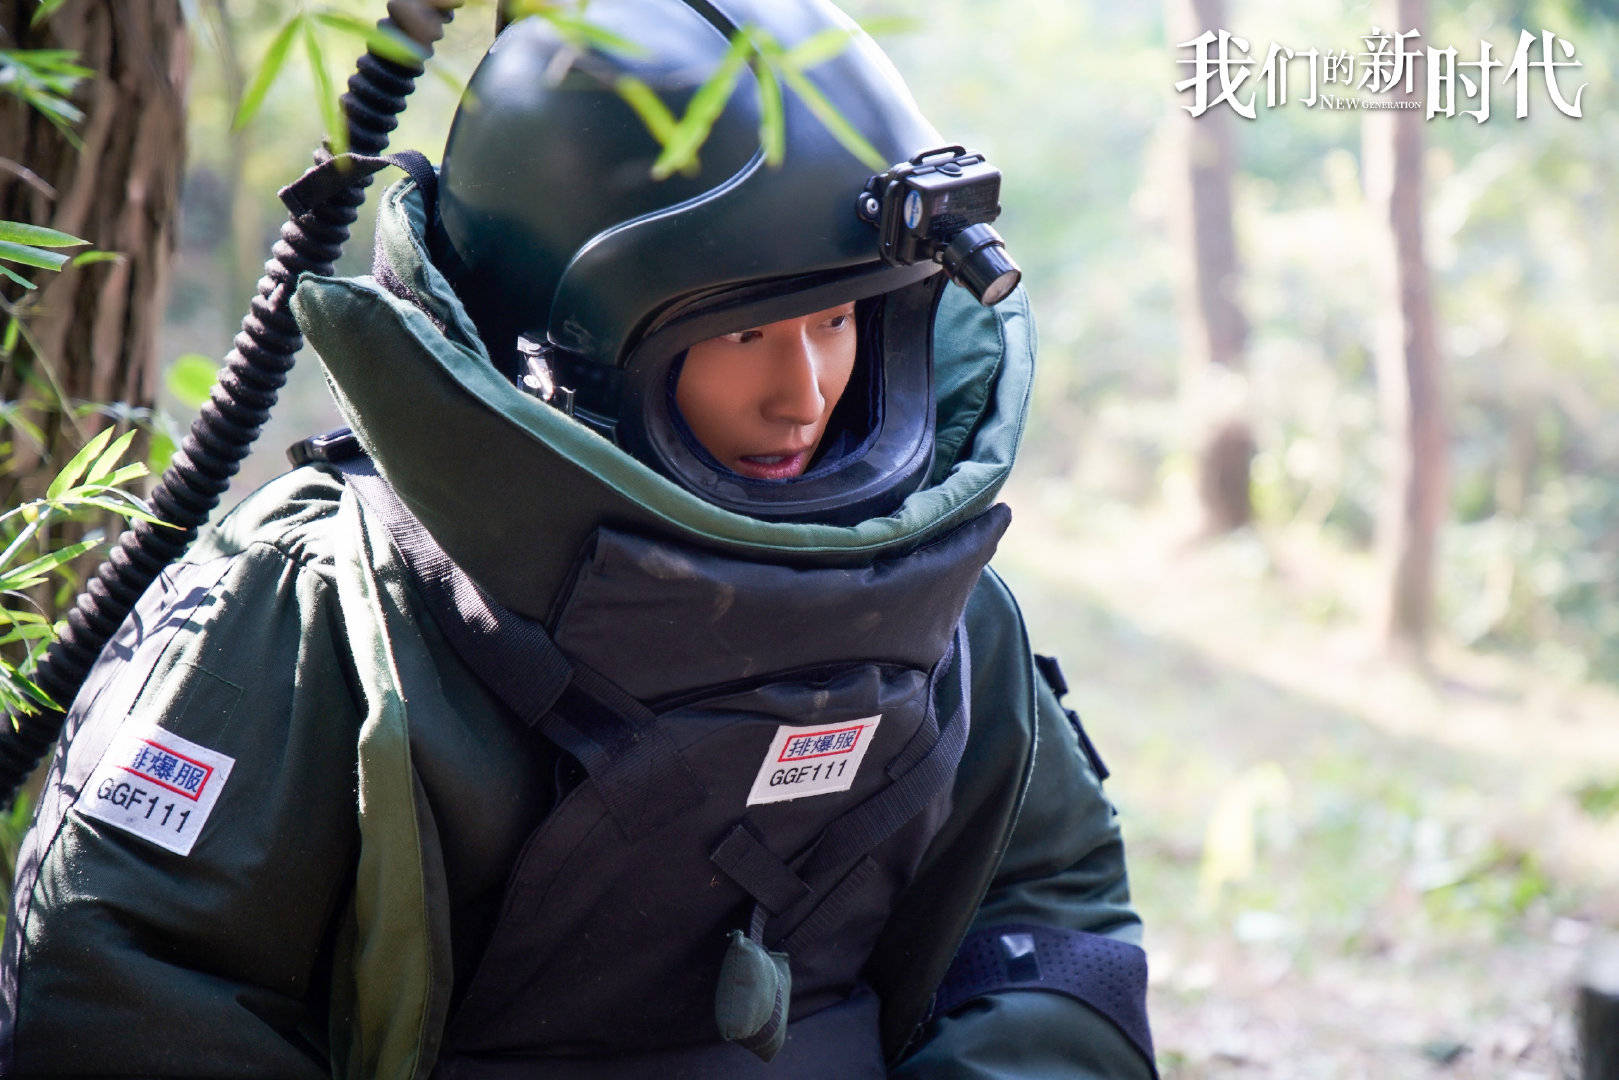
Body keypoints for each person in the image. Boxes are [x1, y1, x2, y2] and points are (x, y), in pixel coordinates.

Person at [0, 2, 1156, 1077]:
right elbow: (134, 981)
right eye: (744, 333)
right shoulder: (329, 607)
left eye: (836, 317)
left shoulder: (925, 590)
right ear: (565, 350)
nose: (803, 394)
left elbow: (1046, 910)